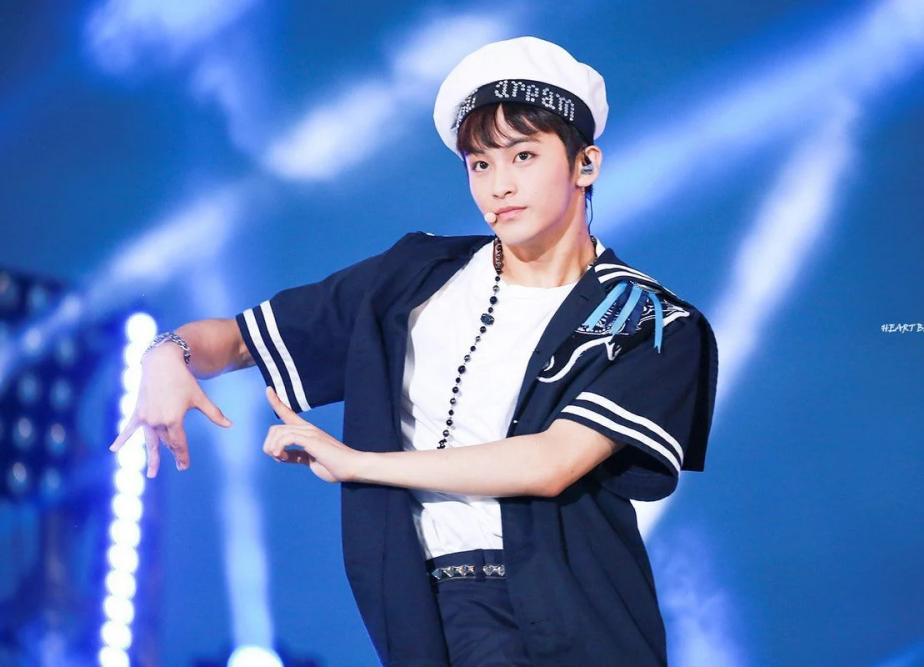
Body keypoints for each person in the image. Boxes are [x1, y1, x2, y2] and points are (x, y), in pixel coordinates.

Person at [112, 36, 718, 667]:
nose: (499, 186)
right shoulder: (411, 278)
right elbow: (235, 340)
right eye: (479, 164)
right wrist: (166, 354)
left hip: (570, 619)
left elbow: (552, 462)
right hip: (422, 609)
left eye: (523, 156)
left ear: (585, 164)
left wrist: (359, 464)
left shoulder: (649, 319)